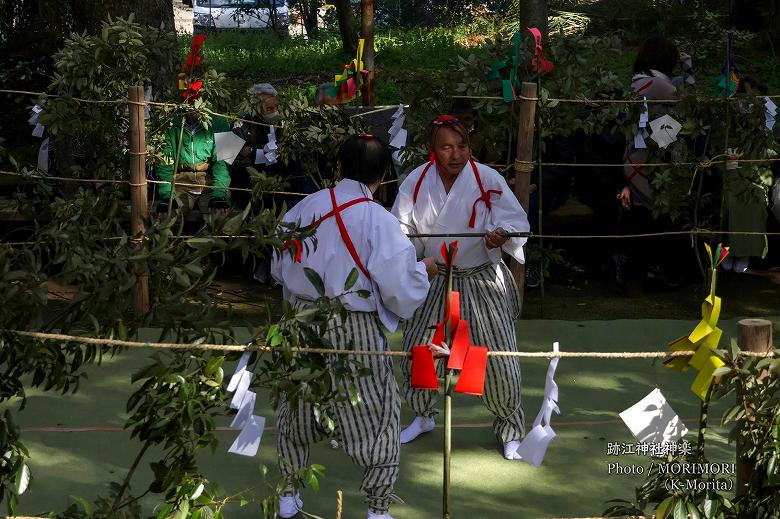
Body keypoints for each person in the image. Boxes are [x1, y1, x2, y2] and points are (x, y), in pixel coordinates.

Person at [271, 134, 438, 519]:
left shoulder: (303, 208)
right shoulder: (379, 220)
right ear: (383, 175)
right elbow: (399, 287)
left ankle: (287, 493)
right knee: (377, 412)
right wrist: (423, 271)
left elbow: (280, 266)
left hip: (300, 322)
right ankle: (378, 509)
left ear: (339, 167)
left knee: (296, 410)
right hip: (354, 326)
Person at [391, 115, 530, 460]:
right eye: (446, 147)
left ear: (470, 146)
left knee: (498, 358)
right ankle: (423, 415)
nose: (455, 154)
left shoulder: (487, 178)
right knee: (420, 350)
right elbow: (400, 230)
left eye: (462, 146)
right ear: (432, 150)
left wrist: (501, 234)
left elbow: (515, 223)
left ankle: (510, 426)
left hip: (481, 278)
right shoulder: (416, 181)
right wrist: (415, 264)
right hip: (436, 275)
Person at [620, 36, 696, 291]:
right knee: (656, 217)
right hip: (650, 159)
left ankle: (638, 274)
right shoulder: (658, 85)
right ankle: (648, 273)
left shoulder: (639, 81)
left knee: (645, 217)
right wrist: (689, 69)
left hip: (636, 155)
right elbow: (691, 104)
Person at [155, 112, 232, 217]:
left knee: (218, 216)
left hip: (210, 183)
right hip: (181, 183)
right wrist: (167, 196)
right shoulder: (170, 123)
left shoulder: (221, 122)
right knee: (169, 215)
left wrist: (219, 194)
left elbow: (224, 162)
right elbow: (164, 164)